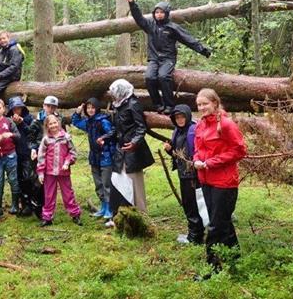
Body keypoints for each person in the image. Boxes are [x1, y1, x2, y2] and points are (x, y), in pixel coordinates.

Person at [125, 0, 212, 115]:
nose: (159, 15)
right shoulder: (150, 26)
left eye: (161, 12)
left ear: (166, 14)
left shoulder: (172, 27)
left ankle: (169, 105)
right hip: (154, 58)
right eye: (157, 12)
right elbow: (138, 18)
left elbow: (188, 39)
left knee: (163, 76)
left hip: (168, 59)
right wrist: (132, 3)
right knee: (149, 77)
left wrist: (202, 50)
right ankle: (157, 104)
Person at [193, 88, 247, 274]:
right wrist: (196, 160)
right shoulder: (200, 125)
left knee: (215, 226)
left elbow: (239, 151)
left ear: (215, 103)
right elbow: (197, 148)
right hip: (206, 180)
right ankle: (236, 261)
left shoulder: (226, 124)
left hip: (224, 183)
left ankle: (212, 268)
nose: (202, 108)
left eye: (205, 104)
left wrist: (210, 163)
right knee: (223, 223)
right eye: (199, 105)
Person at [98, 79, 154, 227]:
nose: (113, 95)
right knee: (117, 181)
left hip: (133, 152)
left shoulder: (133, 104)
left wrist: (134, 143)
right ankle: (118, 216)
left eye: (115, 92)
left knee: (134, 183)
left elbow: (141, 128)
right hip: (121, 150)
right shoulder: (118, 106)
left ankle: (141, 217)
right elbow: (117, 129)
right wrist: (105, 137)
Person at [165, 104, 205, 245]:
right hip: (184, 173)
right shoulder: (178, 131)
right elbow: (179, 154)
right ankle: (196, 234)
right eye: (177, 117)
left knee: (192, 205)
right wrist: (170, 150)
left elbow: (196, 152)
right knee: (190, 205)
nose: (180, 120)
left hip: (192, 175)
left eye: (182, 116)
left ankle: (194, 237)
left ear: (187, 116)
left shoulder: (192, 131)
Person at [71, 97, 114, 220]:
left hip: (105, 156)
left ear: (97, 108)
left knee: (106, 183)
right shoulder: (88, 122)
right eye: (88, 108)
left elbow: (112, 133)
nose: (90, 110)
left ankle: (109, 209)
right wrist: (77, 112)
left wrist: (104, 139)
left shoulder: (103, 121)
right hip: (94, 157)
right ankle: (103, 207)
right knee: (98, 184)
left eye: (92, 107)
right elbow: (76, 122)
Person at [36, 114, 82, 227]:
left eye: (55, 122)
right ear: (47, 126)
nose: (53, 125)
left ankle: (75, 214)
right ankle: (47, 217)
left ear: (59, 123)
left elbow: (73, 153)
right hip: (49, 172)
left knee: (68, 193)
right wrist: (41, 172)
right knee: (49, 195)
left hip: (63, 171)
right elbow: (41, 156)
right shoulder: (46, 139)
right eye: (50, 124)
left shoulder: (66, 137)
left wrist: (67, 162)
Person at [7, 96, 43, 217]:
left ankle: (35, 204)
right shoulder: (7, 120)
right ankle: (24, 204)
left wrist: (22, 123)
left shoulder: (29, 118)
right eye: (15, 108)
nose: (17, 110)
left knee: (30, 179)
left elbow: (32, 133)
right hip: (13, 153)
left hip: (28, 153)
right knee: (18, 180)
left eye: (19, 107)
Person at [28, 95, 67, 161]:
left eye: (53, 107)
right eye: (48, 106)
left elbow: (63, 133)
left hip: (56, 149)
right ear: (44, 106)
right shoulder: (37, 121)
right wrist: (33, 149)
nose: (50, 109)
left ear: (56, 108)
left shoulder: (60, 119)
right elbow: (31, 138)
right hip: (40, 150)